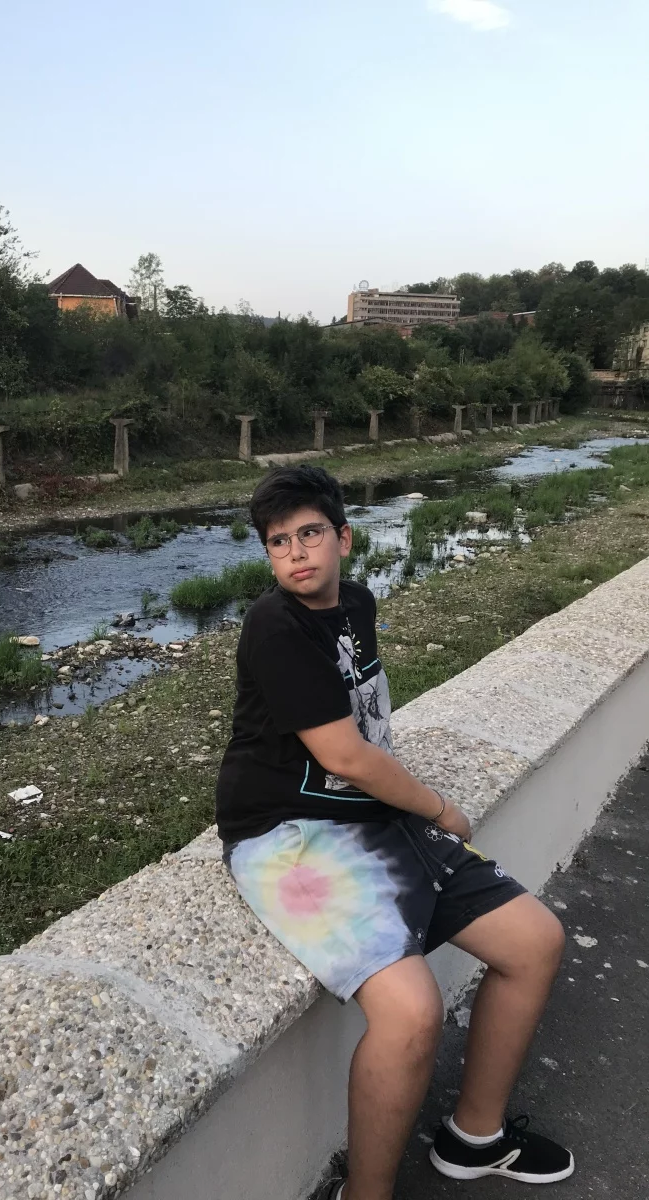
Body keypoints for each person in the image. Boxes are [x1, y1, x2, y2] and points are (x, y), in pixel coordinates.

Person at [215, 465, 573, 1200]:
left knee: (535, 941)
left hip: (372, 815)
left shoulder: (356, 602)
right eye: (278, 542)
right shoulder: (275, 627)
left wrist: (406, 805)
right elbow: (344, 756)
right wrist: (438, 808)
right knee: (411, 1013)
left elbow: (367, 727)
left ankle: (475, 1138)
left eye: (310, 533)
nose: (296, 553)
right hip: (287, 833)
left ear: (344, 538)